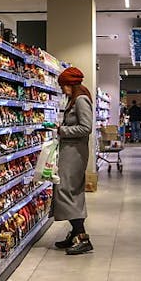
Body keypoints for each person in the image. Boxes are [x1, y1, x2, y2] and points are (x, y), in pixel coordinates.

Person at [52, 66, 94, 255]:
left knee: (67, 190)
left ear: (70, 84)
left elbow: (86, 128)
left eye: (63, 86)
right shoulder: (74, 100)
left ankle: (81, 236)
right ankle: (75, 234)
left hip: (75, 153)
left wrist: (63, 131)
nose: (62, 90)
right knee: (68, 190)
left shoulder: (81, 100)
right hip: (70, 151)